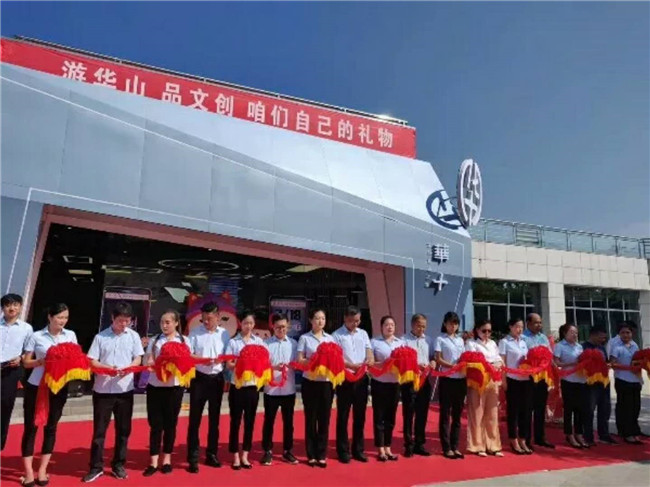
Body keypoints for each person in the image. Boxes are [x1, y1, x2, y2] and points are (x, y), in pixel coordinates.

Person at [83, 301, 145, 483]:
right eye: (120, 321)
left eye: (127, 321)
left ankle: (118, 464)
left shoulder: (133, 336)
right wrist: (107, 368)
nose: (124, 324)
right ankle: (96, 467)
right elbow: (92, 361)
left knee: (123, 430)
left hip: (124, 389)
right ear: (112, 318)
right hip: (103, 389)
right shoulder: (101, 337)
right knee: (99, 431)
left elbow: (138, 358)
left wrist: (129, 367)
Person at [21, 303, 77, 487]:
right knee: (31, 427)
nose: (63, 321)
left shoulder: (70, 335)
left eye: (65, 318)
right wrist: (42, 361)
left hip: (58, 387)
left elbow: (75, 358)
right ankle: (28, 472)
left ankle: (42, 470)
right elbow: (26, 362)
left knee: (51, 427)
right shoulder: (36, 336)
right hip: (36, 386)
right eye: (59, 317)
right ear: (50, 317)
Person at [142, 310, 188, 477]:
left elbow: (187, 362)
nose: (164, 325)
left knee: (170, 424)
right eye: (162, 322)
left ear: (176, 323)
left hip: (174, 388)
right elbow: (146, 361)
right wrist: (150, 362)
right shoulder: (155, 340)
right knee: (155, 425)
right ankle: (153, 461)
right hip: (155, 386)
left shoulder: (184, 341)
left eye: (168, 322)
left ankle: (167, 459)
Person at [186, 301, 230, 473]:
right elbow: (189, 355)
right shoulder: (195, 333)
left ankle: (212, 454)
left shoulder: (225, 334)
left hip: (217, 379)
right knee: (194, 419)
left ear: (218, 317)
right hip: (199, 378)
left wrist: (223, 360)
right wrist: (203, 360)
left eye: (209, 318)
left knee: (214, 419)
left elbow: (228, 355)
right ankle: (193, 458)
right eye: (203, 319)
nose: (206, 322)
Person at [225, 310, 266, 470]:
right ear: (240, 324)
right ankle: (235, 455)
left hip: (253, 387)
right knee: (235, 421)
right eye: (245, 323)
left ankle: (245, 455)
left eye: (251, 323)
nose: (248, 326)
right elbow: (229, 364)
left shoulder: (259, 342)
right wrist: (244, 362)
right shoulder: (233, 342)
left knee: (250, 421)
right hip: (237, 386)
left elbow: (264, 361)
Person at [332, 305, 373, 463]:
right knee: (343, 415)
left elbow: (369, 350)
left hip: (361, 378)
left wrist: (369, 359)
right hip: (345, 378)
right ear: (345, 319)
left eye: (357, 321)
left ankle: (358, 449)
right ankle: (343, 450)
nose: (354, 324)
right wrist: (351, 366)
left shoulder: (363, 333)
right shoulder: (337, 335)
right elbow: (337, 358)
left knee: (360, 415)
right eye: (351, 321)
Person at [297, 308, 335, 468]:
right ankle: (311, 454)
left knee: (324, 418)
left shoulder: (330, 339)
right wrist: (314, 360)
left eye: (323, 318)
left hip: (326, 382)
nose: (320, 321)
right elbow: (299, 360)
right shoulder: (305, 338)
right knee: (311, 418)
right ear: (311, 320)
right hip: (310, 382)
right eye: (317, 318)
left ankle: (322, 454)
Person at [260, 314, 299, 466]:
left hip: (288, 389)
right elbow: (261, 366)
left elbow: (298, 362)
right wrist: (274, 367)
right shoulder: (266, 344)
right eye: (278, 327)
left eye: (283, 327)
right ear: (273, 327)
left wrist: (294, 365)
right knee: (269, 421)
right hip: (271, 390)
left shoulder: (294, 344)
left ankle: (287, 450)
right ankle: (267, 451)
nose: (281, 330)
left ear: (288, 327)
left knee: (289, 422)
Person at [465, 319, 503, 457]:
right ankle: (478, 445)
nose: (487, 333)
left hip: (492, 379)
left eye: (489, 331)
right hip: (478, 381)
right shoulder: (471, 343)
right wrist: (489, 364)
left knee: (492, 413)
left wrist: (496, 364)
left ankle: (493, 445)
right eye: (484, 330)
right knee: (477, 413)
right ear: (477, 330)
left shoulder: (492, 343)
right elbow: (473, 360)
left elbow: (499, 359)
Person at [1, 293, 33, 451]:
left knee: (6, 405)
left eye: (15, 305)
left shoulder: (26, 328)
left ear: (20, 307)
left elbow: (28, 351)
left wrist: (20, 358)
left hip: (11, 370)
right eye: (8, 305)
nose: (11, 308)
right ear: (3, 308)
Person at [401, 313, 435, 457]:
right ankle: (408, 444)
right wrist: (415, 365)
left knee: (422, 413)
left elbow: (432, 357)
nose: (421, 329)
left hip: (424, 380)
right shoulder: (404, 340)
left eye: (424, 326)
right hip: (409, 380)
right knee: (409, 413)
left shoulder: (428, 340)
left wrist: (433, 362)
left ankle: (419, 444)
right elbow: (402, 360)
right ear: (412, 325)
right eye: (419, 326)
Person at [370, 315, 403, 462]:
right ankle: (380, 448)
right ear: (381, 327)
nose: (389, 327)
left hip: (394, 384)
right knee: (379, 416)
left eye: (392, 325)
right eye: (386, 325)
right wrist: (385, 364)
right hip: (379, 383)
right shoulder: (374, 342)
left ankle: (388, 446)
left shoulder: (400, 343)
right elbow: (370, 363)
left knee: (391, 417)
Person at [435, 312, 467, 460]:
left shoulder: (460, 340)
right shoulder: (440, 339)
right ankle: (446, 447)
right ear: (445, 324)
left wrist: (462, 365)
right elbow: (438, 359)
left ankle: (455, 446)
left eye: (455, 323)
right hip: (447, 379)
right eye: (450, 323)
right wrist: (452, 366)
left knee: (457, 415)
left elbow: (464, 357)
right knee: (445, 414)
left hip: (460, 379)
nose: (452, 326)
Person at [499, 317, 533, 455]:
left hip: (526, 380)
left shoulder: (524, 342)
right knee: (513, 411)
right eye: (517, 326)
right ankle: (513, 439)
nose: (519, 329)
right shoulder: (504, 342)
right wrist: (504, 381)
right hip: (512, 379)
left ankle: (523, 439)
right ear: (510, 327)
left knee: (525, 411)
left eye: (521, 327)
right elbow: (502, 363)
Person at [521, 312, 554, 449]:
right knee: (528, 408)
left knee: (541, 407)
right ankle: (526, 439)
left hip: (543, 377)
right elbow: (522, 357)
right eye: (536, 322)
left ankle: (540, 437)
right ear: (528, 323)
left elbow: (550, 355)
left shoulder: (543, 338)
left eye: (540, 322)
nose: (539, 325)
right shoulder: (523, 338)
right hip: (529, 377)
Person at [554, 324, 588, 448]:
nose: (575, 334)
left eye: (576, 332)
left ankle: (579, 433)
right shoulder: (560, 346)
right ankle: (569, 434)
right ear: (565, 333)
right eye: (572, 332)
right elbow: (556, 363)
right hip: (568, 380)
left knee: (580, 409)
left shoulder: (579, 346)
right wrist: (572, 363)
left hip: (581, 380)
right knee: (569, 408)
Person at [582, 327, 616, 445]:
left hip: (604, 382)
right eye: (601, 337)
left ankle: (604, 435)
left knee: (605, 409)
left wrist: (608, 365)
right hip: (590, 383)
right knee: (589, 410)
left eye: (604, 338)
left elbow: (605, 362)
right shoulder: (583, 347)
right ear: (593, 335)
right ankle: (588, 436)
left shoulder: (601, 348)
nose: (603, 340)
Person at [610, 322, 643, 444]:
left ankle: (634, 431)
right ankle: (627, 433)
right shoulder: (616, 347)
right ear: (619, 334)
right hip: (623, 380)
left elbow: (639, 360)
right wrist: (628, 368)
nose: (625, 335)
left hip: (635, 380)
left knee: (635, 407)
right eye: (623, 333)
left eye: (628, 332)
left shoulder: (635, 345)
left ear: (632, 333)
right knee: (626, 408)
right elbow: (613, 364)